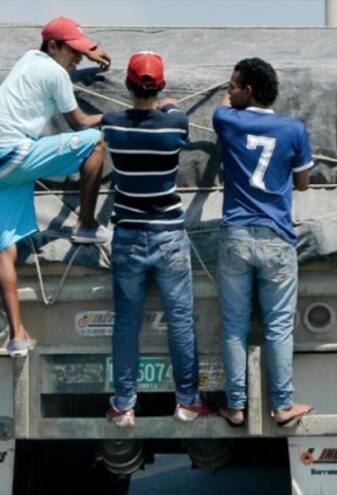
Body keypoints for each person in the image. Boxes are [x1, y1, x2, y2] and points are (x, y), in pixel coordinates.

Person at [0, 16, 111, 357]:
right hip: (12, 155)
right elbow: (80, 122)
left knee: (5, 250)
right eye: (73, 51)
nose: (77, 58)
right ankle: (86, 225)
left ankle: (17, 336)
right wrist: (119, 116)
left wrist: (87, 52)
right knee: (94, 141)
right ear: (53, 46)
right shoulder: (54, 73)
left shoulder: (28, 59)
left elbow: (59, 61)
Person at [102, 52, 211, 428]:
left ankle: (123, 405)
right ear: (161, 85)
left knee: (126, 323)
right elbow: (172, 112)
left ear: (127, 85)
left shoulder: (112, 124)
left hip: (128, 234)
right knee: (179, 320)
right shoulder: (175, 123)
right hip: (168, 234)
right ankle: (187, 402)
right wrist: (168, 104)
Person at [213, 57, 314, 427]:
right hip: (276, 237)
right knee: (279, 327)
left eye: (233, 85)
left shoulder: (227, 120)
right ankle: (282, 405)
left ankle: (236, 406)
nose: (229, 91)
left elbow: (222, 106)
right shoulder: (294, 129)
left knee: (234, 326)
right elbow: (303, 183)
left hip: (236, 236)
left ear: (248, 90)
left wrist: (229, 99)